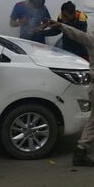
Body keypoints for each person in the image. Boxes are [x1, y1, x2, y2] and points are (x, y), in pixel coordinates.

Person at [45, 19, 94, 167]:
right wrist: (61, 26)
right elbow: (78, 34)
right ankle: (80, 150)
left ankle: (81, 150)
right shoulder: (92, 39)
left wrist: (61, 26)